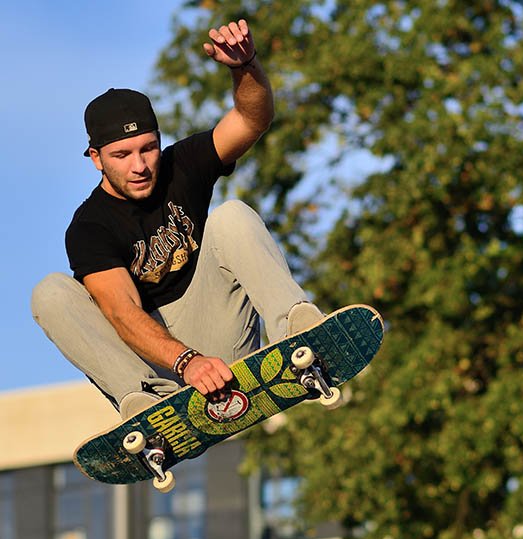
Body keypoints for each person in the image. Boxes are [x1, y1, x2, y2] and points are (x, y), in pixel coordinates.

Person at [31, 19, 323, 420]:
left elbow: (252, 119)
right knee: (50, 293)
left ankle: (298, 330)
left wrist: (246, 66)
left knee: (231, 215)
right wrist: (187, 361)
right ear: (96, 158)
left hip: (222, 330)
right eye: (122, 156)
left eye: (148, 149)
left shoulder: (182, 164)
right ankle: (140, 401)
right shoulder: (89, 227)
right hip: (162, 368)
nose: (140, 166)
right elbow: (121, 312)